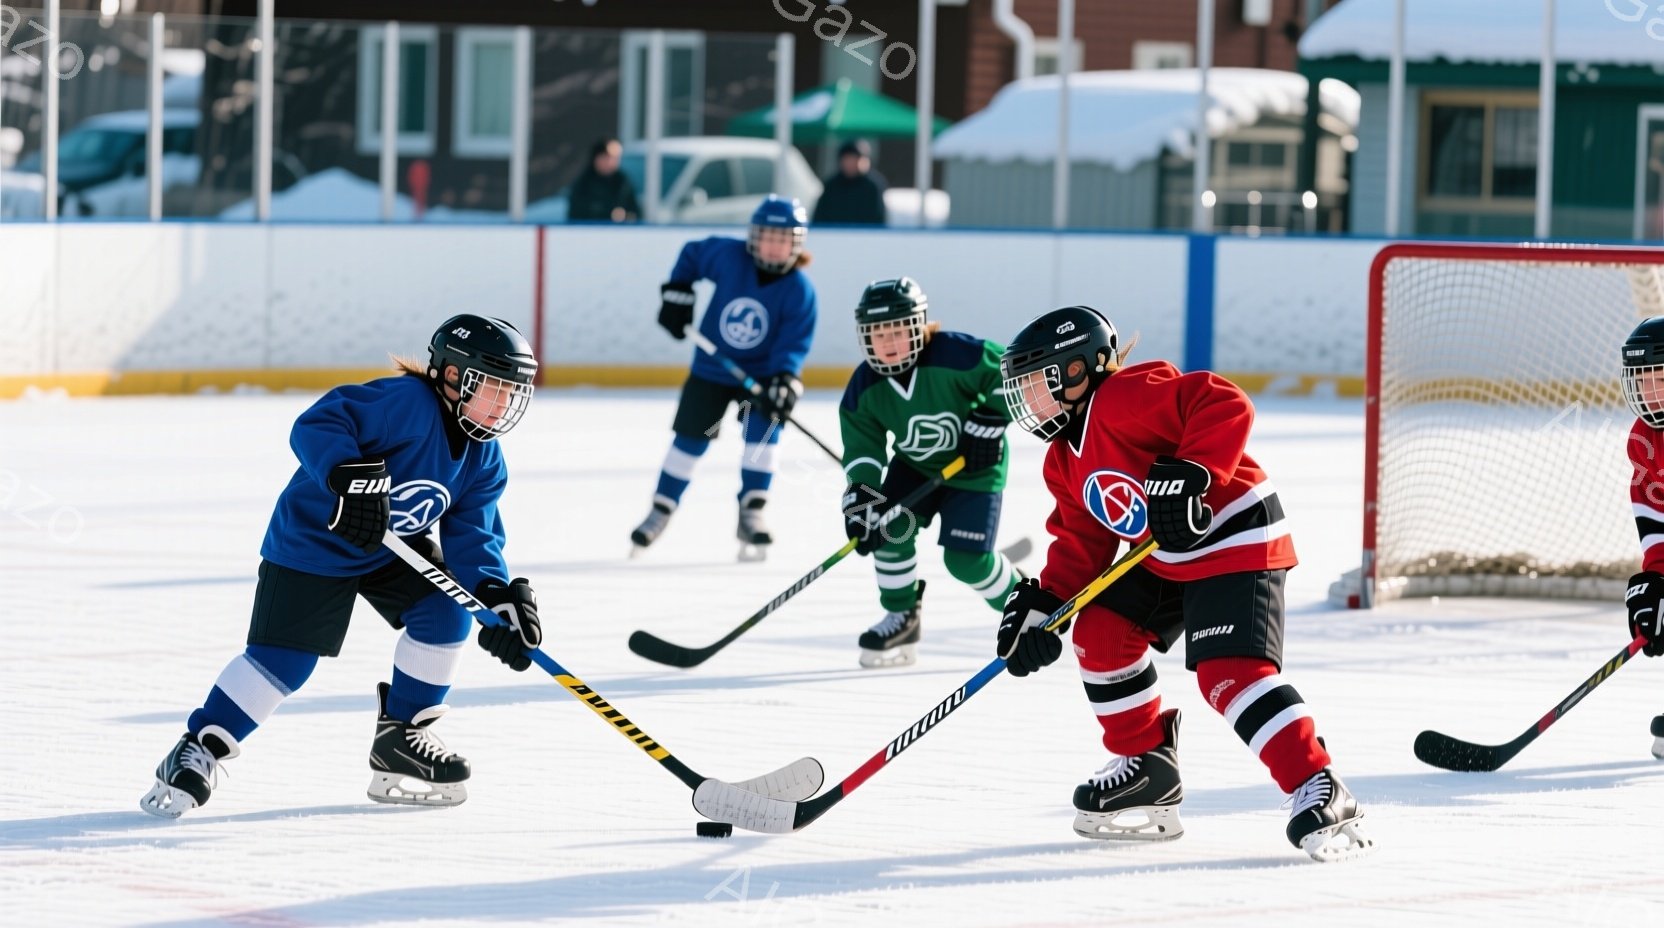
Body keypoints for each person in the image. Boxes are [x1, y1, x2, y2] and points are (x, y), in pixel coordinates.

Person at [993, 305, 1373, 862]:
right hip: (1165, 553)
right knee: (1098, 630)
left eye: (1039, 383)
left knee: (1229, 675)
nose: (1031, 401)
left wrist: (1194, 471)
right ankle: (1147, 765)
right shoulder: (1061, 460)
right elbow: (1083, 543)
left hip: (1233, 533)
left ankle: (1319, 785)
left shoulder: (1124, 395)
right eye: (1023, 389)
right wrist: (1046, 604)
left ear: (1083, 368)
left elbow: (1221, 401)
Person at [139, 316, 545, 818]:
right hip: (316, 540)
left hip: (390, 549)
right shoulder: (407, 405)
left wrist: (494, 594)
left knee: (447, 610)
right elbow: (320, 422)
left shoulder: (485, 458)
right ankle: (200, 746)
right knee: (285, 661)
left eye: (512, 393)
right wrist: (347, 475)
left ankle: (402, 739)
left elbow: (473, 535)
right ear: (454, 377)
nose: (504, 405)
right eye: (495, 390)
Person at [837, 277, 1019, 667]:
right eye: (878, 333)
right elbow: (863, 447)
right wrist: (863, 494)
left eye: (899, 331)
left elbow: (1011, 373)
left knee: (966, 562)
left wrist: (990, 416)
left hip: (974, 467)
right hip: (916, 467)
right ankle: (902, 615)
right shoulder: (865, 386)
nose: (889, 343)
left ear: (919, 326)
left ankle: (1024, 603)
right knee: (887, 528)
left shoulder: (955, 354)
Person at [630, 195, 818, 561]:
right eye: (768, 236)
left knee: (762, 439)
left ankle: (752, 510)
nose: (774, 245)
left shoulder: (800, 290)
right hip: (712, 371)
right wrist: (678, 292)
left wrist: (784, 379)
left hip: (761, 379)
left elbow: (794, 343)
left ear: (796, 244)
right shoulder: (729, 257)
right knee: (689, 442)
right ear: (753, 236)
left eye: (783, 239)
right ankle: (661, 508)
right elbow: (691, 254)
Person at [1618, 316, 1664, 759]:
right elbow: (1656, 518)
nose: (1651, 392)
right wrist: (1655, 583)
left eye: (1663, 379)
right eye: (1643, 380)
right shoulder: (1644, 441)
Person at [811, 139, 887, 227]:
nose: (850, 163)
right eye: (847, 159)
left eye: (855, 159)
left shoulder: (874, 186)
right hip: (834, 236)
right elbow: (819, 217)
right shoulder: (831, 186)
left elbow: (878, 219)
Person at [567, 138, 640, 223]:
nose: (610, 162)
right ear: (596, 158)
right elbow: (576, 215)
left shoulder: (622, 182)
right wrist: (608, 213)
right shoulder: (583, 183)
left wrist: (624, 216)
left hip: (617, 234)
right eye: (606, 157)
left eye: (615, 158)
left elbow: (634, 213)